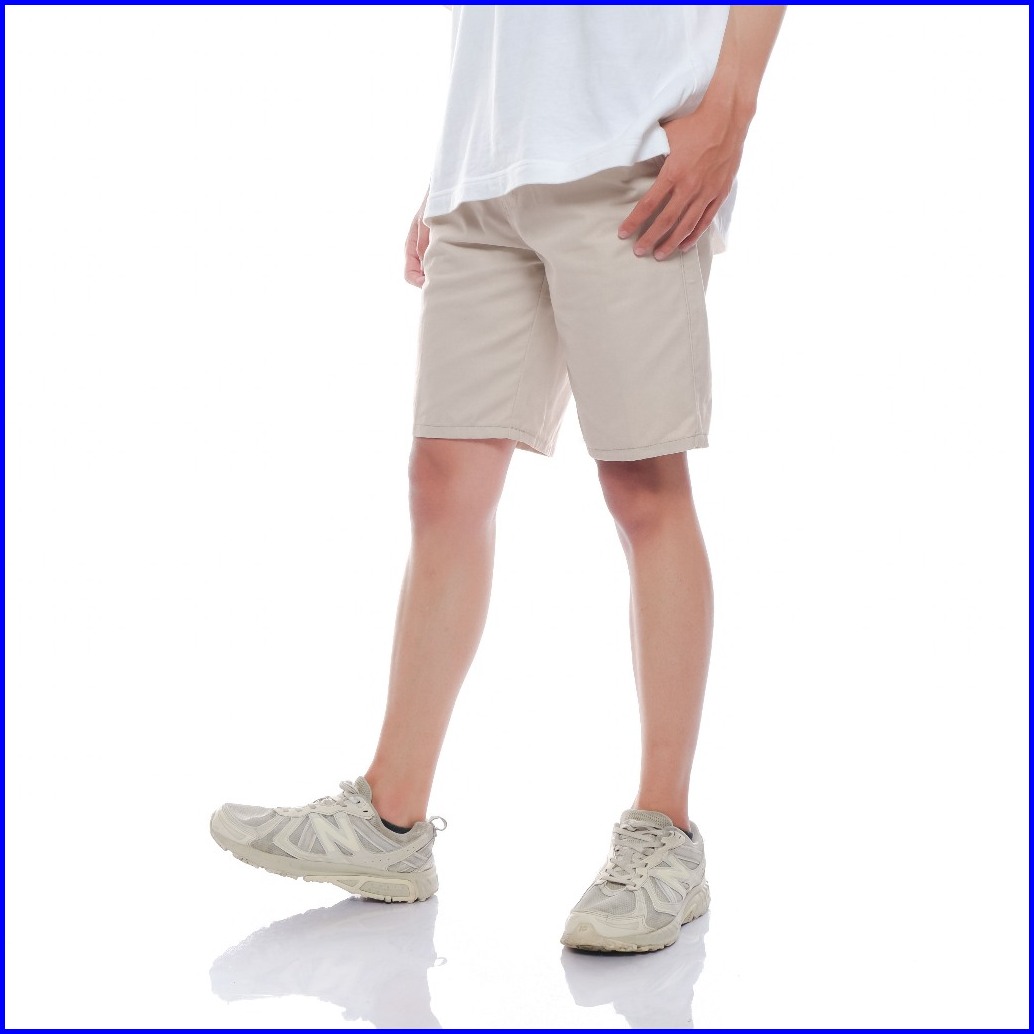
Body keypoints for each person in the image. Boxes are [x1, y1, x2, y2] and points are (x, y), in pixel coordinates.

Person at [211, 4, 786, 954]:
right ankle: (390, 819)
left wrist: (731, 107)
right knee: (444, 481)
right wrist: (461, 165)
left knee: (642, 485)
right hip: (486, 165)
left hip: (634, 152)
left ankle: (665, 834)